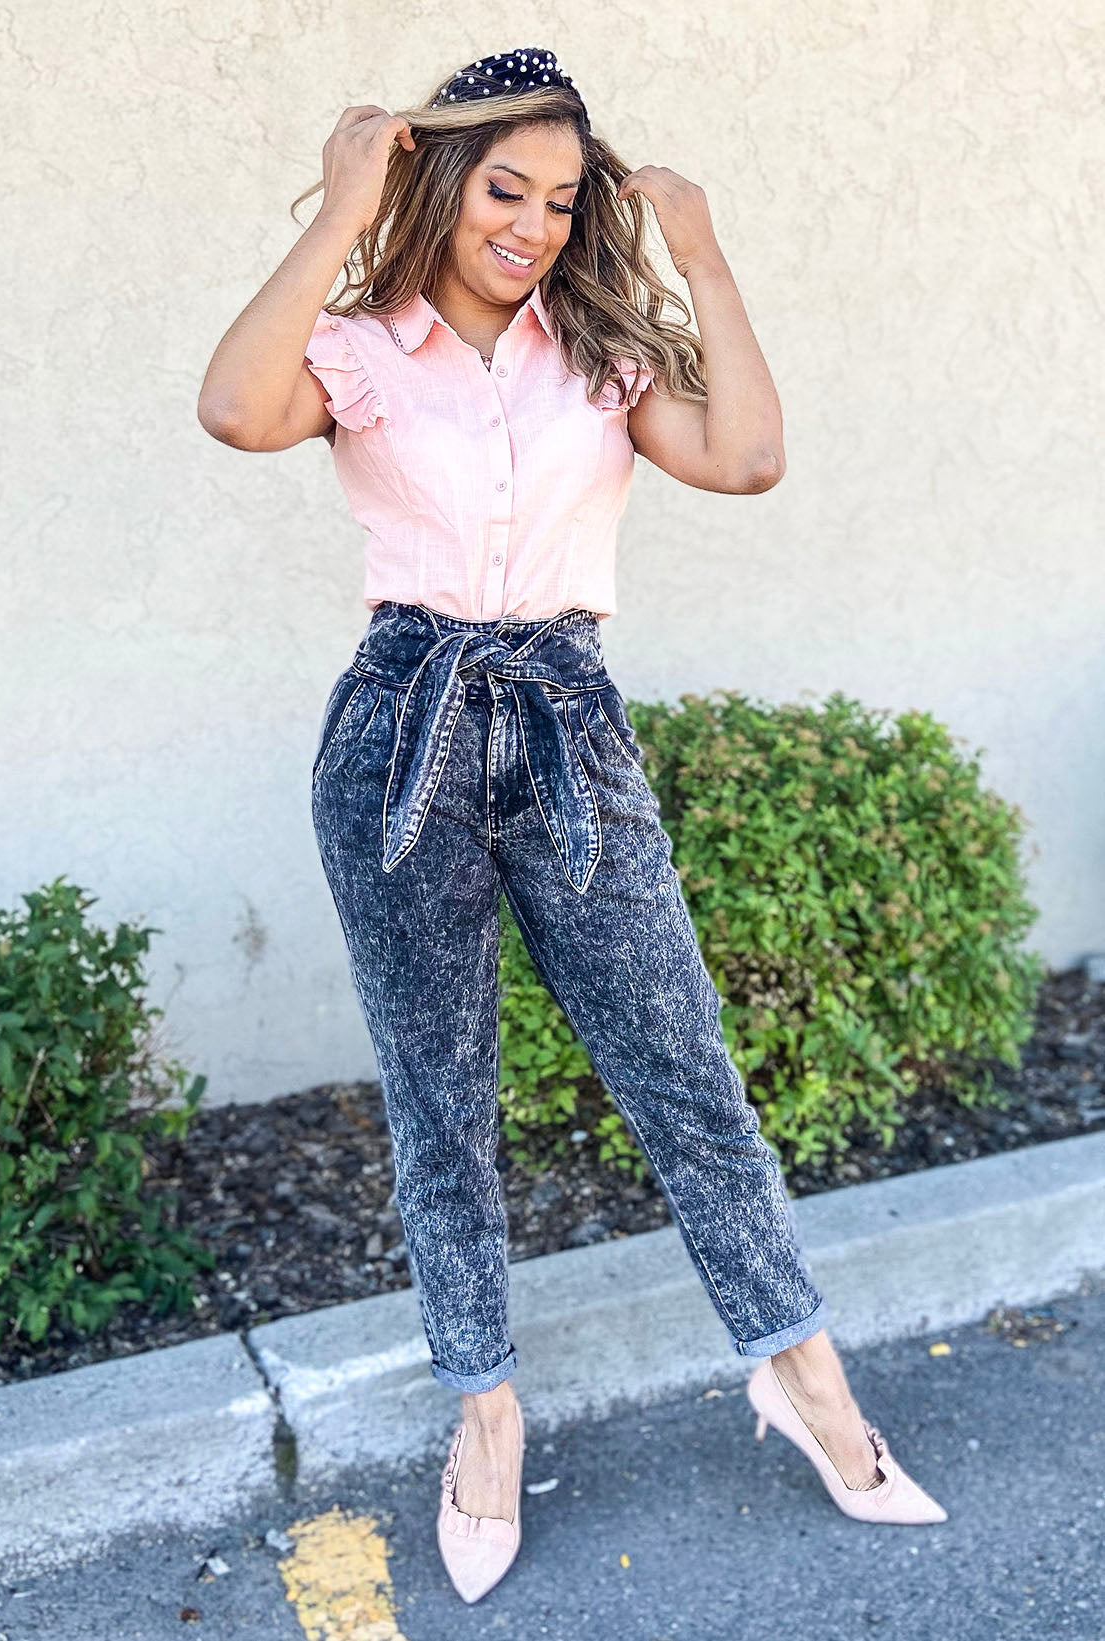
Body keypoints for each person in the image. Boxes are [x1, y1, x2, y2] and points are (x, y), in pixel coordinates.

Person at [197, 43, 947, 1606]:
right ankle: (481, 1405)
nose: (529, 224)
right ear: (443, 183)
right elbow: (230, 407)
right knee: (439, 1095)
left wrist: (704, 248)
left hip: (566, 720)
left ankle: (801, 1379)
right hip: (400, 727)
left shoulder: (596, 354)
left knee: (682, 1071)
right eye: (501, 188)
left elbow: (745, 456)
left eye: (557, 197)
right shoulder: (356, 346)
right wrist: (346, 205)